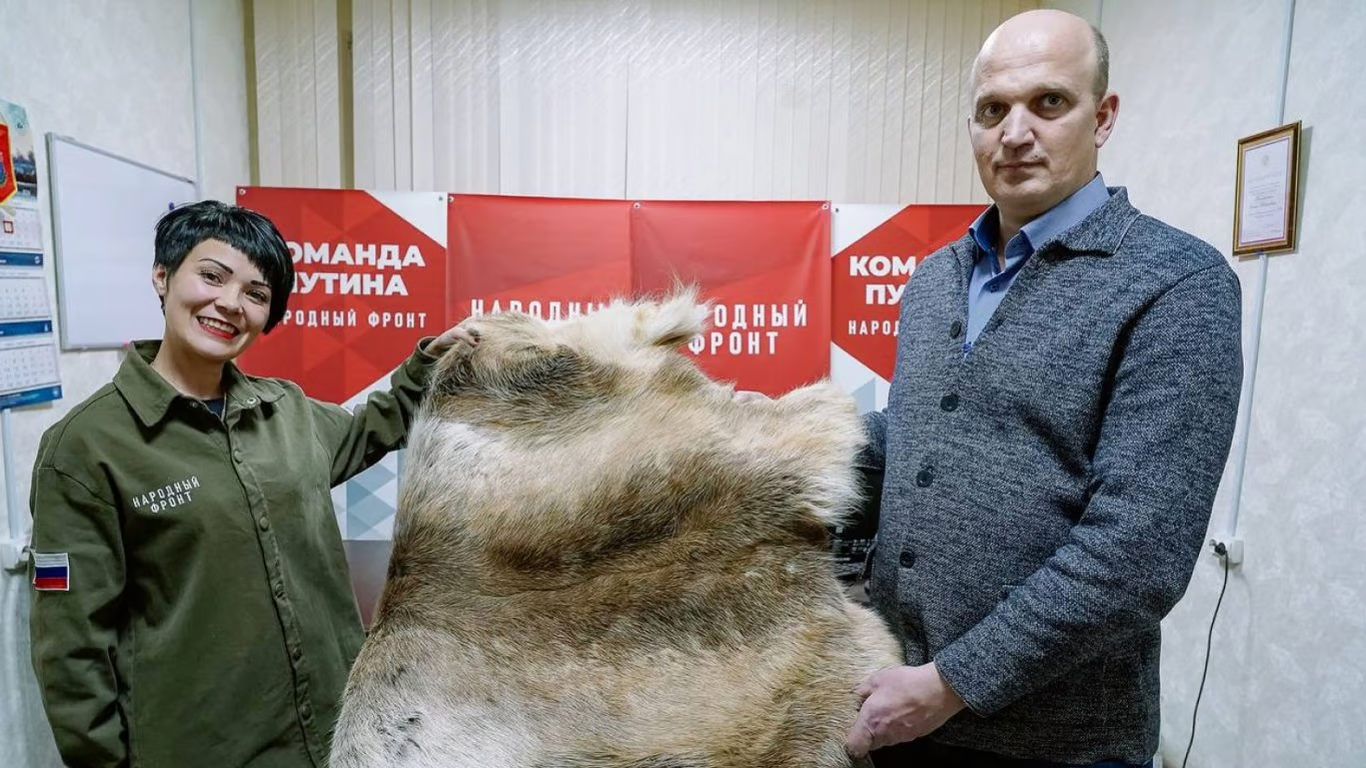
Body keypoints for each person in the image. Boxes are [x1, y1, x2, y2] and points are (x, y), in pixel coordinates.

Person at [844, 9, 1243, 767]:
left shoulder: (1175, 285)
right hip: (904, 712)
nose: (1015, 133)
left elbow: (1137, 553)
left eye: (1048, 102)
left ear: (1103, 116)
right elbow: (921, 435)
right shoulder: (934, 280)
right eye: (993, 109)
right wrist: (776, 442)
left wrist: (951, 684)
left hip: (1060, 744)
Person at [28, 200, 476, 767]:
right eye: (212, 276)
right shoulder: (86, 447)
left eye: (256, 293)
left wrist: (432, 361)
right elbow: (72, 649)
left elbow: (372, 427)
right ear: (162, 277)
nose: (229, 303)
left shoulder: (285, 410)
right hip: (202, 750)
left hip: (335, 734)